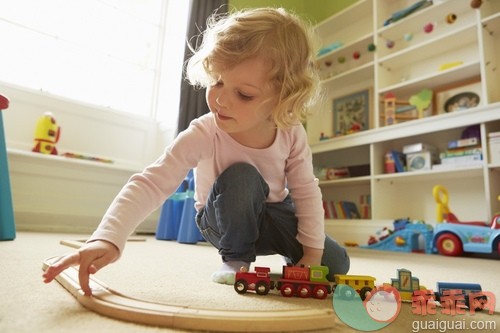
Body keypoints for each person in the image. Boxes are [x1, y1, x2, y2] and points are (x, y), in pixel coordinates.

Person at [43, 7, 350, 296]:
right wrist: (107, 236)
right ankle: (236, 258)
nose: (220, 100)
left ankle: (290, 258)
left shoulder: (291, 132)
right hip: (221, 220)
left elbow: (306, 191)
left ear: (283, 97)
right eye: (216, 81)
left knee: (335, 264)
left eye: (243, 94)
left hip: (272, 216)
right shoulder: (204, 131)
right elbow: (152, 181)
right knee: (243, 176)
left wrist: (311, 254)